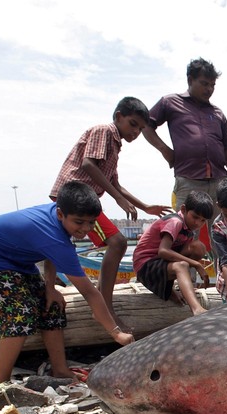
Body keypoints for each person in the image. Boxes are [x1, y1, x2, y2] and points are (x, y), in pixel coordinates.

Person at [0, 181, 134, 383]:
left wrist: (50, 288)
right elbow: (90, 292)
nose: (85, 229)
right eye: (79, 222)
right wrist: (116, 334)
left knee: (51, 305)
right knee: (20, 315)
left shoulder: (58, 224)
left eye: (91, 223)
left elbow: (50, 252)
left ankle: (60, 369)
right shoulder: (54, 237)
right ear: (61, 214)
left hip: (18, 259)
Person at [50, 96, 169, 330]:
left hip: (84, 201)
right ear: (118, 117)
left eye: (141, 128)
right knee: (116, 242)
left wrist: (144, 207)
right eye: (133, 124)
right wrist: (117, 198)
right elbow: (88, 165)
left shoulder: (115, 145)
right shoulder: (105, 131)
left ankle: (102, 304)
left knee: (74, 243)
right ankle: (104, 307)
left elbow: (115, 182)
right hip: (74, 198)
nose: (136, 132)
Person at [144, 58, 227, 210]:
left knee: (219, 231)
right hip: (188, 180)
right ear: (190, 80)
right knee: (185, 230)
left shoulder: (217, 113)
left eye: (212, 85)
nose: (209, 89)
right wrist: (165, 150)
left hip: (219, 183)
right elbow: (146, 125)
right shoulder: (170, 102)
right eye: (204, 83)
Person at [132, 191, 214, 315]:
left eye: (203, 220)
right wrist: (196, 264)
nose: (198, 223)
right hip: (145, 265)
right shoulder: (175, 222)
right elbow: (163, 251)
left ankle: (170, 289)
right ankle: (197, 309)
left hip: (158, 264)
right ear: (184, 209)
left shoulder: (189, 230)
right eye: (195, 217)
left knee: (198, 248)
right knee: (182, 265)